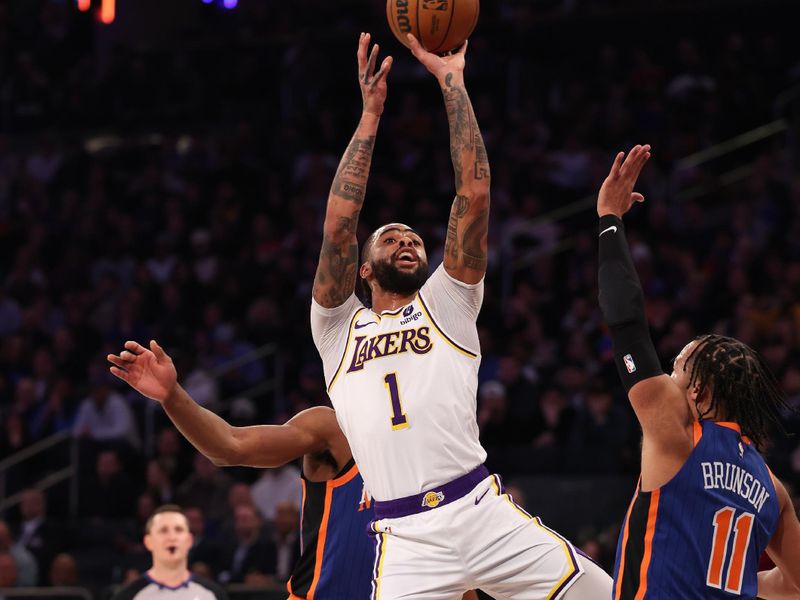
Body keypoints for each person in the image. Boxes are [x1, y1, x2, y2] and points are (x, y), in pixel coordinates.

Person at [309, 32, 610, 599]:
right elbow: (338, 226)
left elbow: (473, 192)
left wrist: (452, 82)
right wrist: (370, 116)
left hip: (480, 511)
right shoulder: (336, 328)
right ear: (363, 271)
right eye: (391, 238)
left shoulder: (447, 301)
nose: (406, 241)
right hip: (405, 540)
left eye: (414, 239)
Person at [595, 144, 800, 599]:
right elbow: (795, 583)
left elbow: (626, 323)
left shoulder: (678, 430)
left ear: (700, 391)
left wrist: (609, 220)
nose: (667, 378)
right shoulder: (774, 489)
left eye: (677, 368)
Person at [108, 341, 436, 599]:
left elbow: (453, 563)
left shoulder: (437, 459)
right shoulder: (334, 430)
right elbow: (230, 446)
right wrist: (172, 396)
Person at [111, 505, 228, 600]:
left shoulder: (213, 595)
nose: (172, 537)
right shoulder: (128, 596)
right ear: (148, 542)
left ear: (189, 540)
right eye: (163, 530)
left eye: (178, 530)